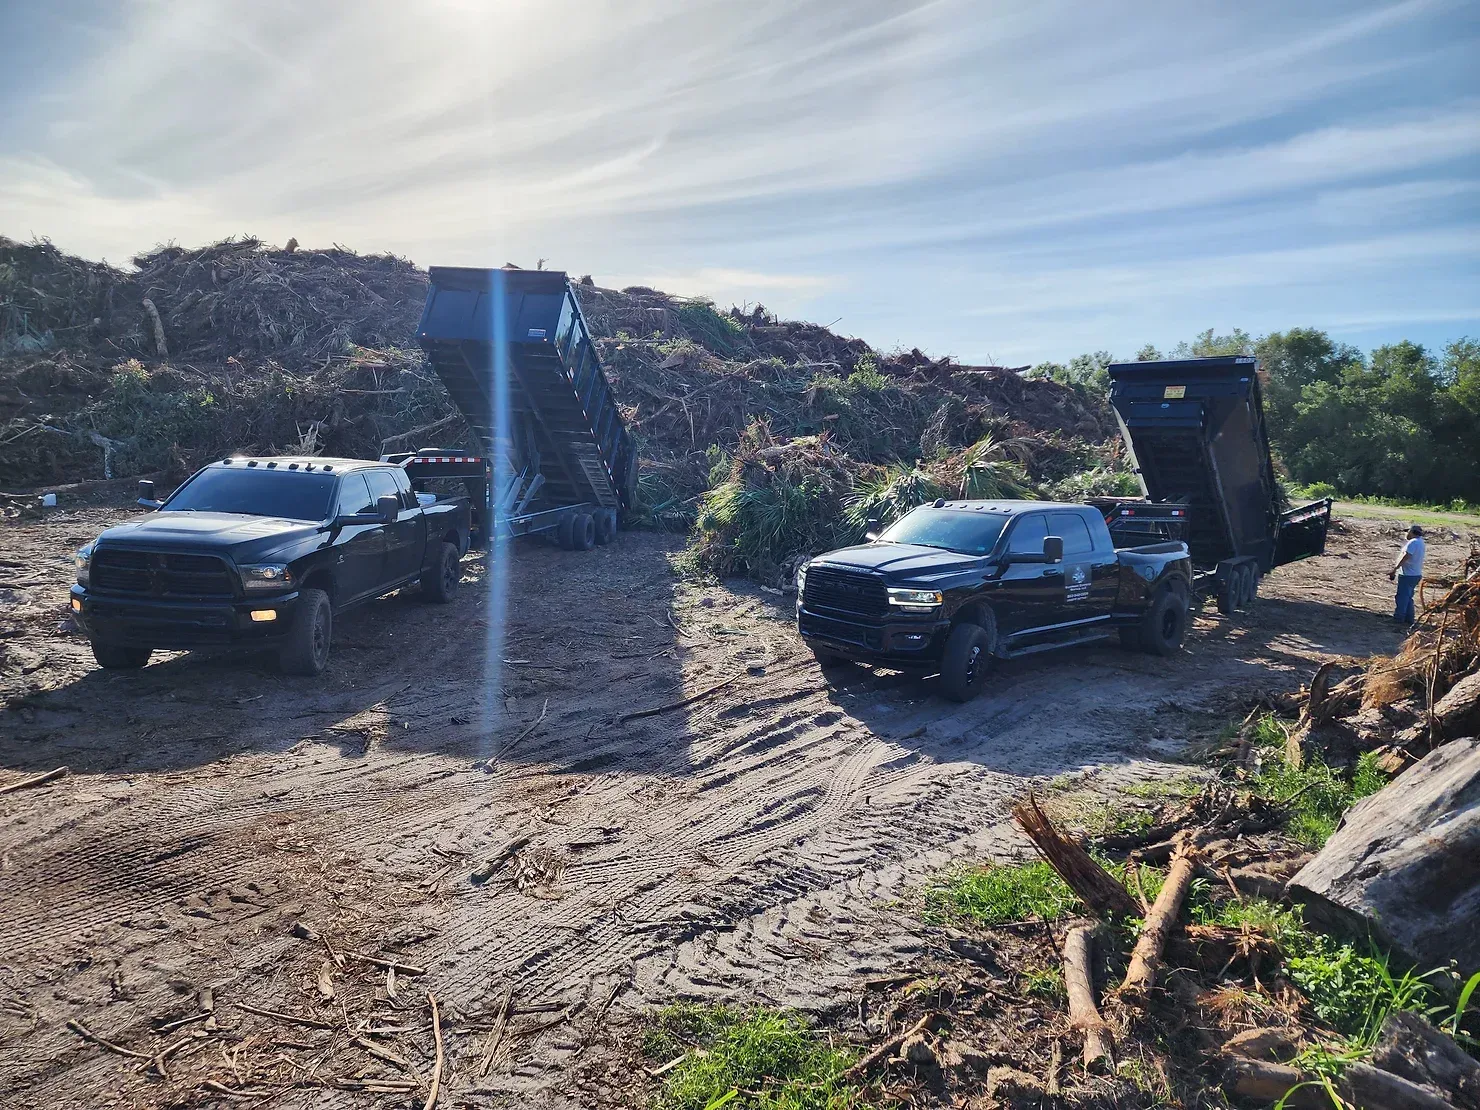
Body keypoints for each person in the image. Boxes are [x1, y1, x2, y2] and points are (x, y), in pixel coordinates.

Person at [1387, 524, 1425, 624]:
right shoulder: (1421, 542)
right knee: (1408, 597)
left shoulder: (1413, 542)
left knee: (1402, 597)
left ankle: (1399, 618)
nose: (1406, 534)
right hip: (1416, 574)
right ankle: (1409, 619)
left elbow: (1406, 556)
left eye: (1408, 531)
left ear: (1412, 532)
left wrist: (1395, 569)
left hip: (1408, 574)